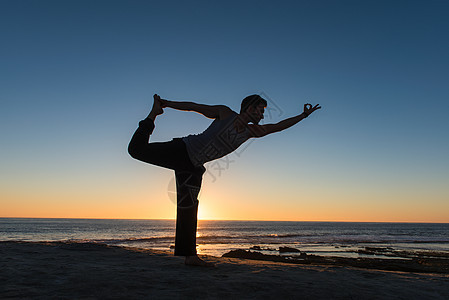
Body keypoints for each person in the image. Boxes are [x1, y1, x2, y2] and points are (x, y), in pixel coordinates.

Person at [128, 94, 321, 266]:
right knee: (136, 150)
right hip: (183, 150)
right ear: (250, 108)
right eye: (261, 111)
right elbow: (194, 106)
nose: (262, 115)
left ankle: (190, 256)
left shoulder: (250, 132)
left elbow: (278, 127)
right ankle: (152, 115)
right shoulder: (225, 113)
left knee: (189, 207)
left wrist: (303, 116)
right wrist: (167, 104)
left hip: (193, 168)